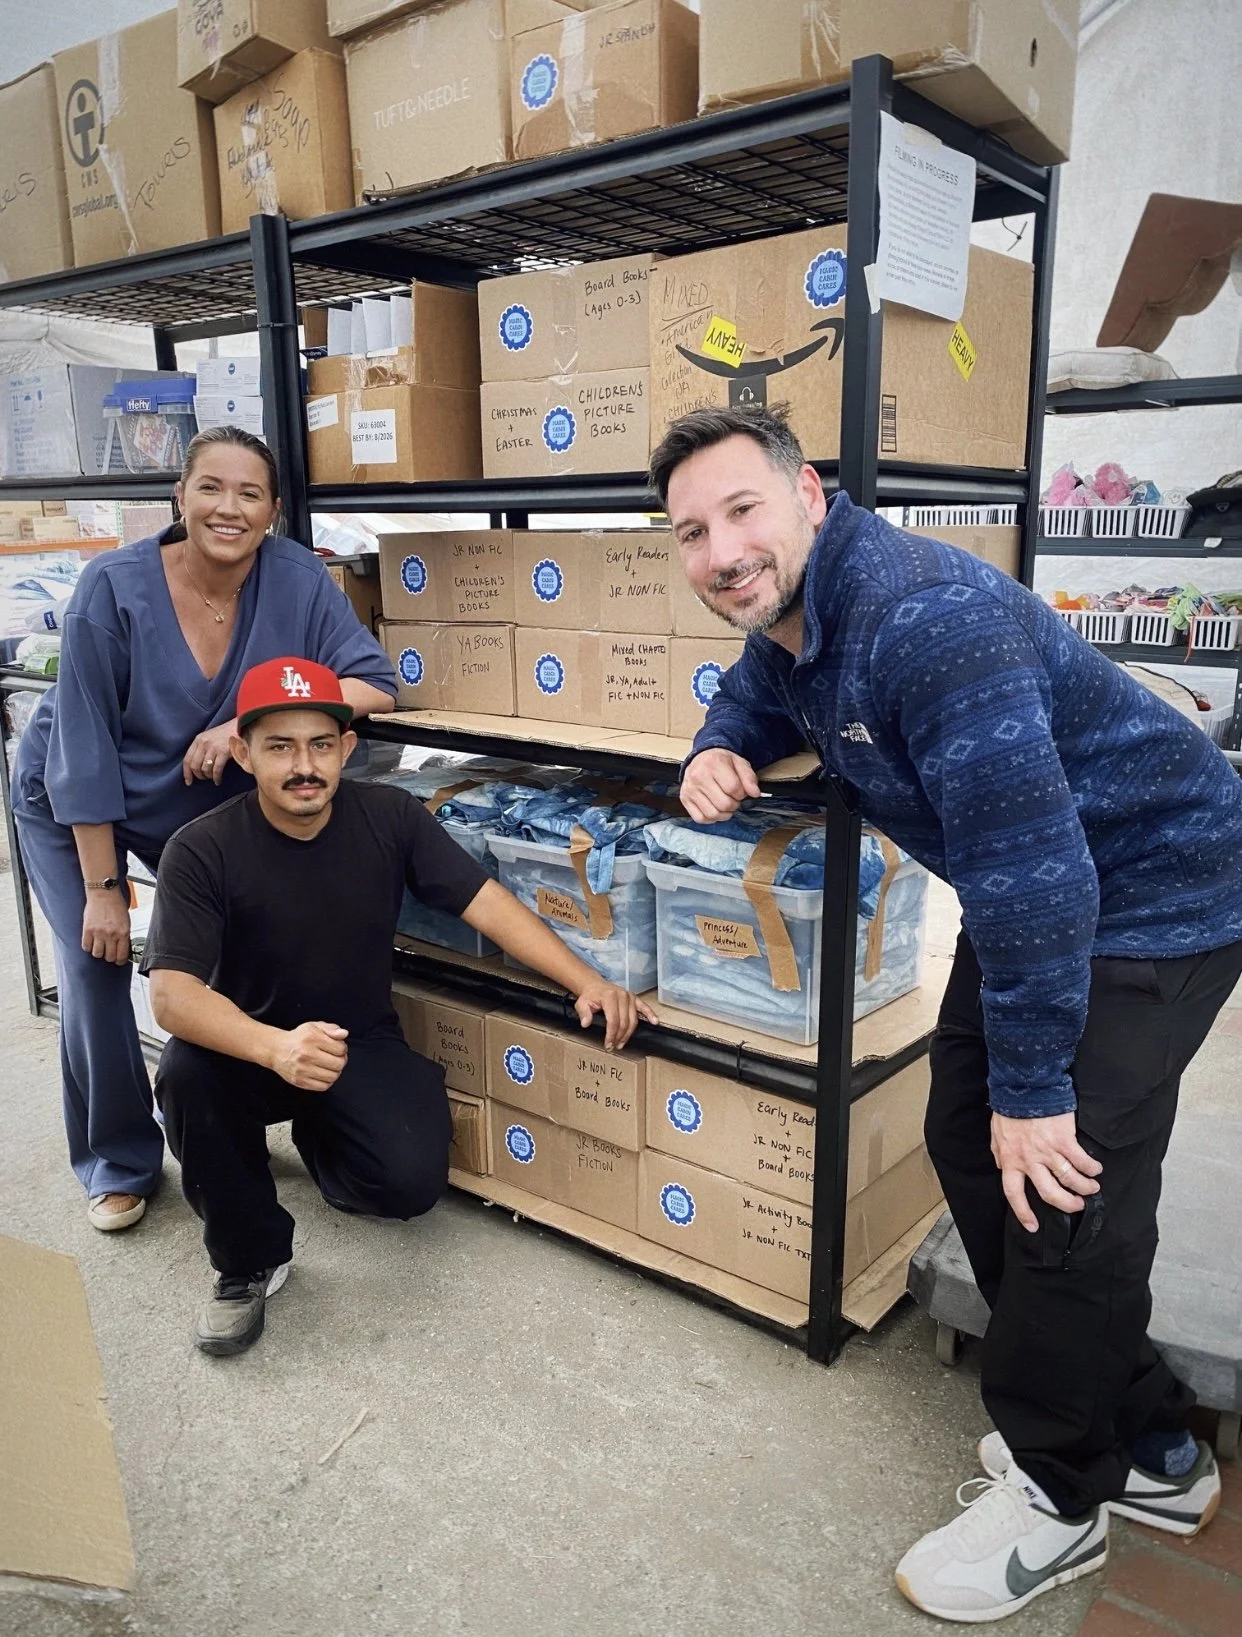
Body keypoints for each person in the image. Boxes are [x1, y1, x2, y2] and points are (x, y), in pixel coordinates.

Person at [650, 405, 1242, 1624]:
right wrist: (718, 743)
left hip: (1156, 894)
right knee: (968, 1139)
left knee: (1061, 1187)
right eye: (691, 531)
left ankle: (1061, 1490)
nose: (720, 551)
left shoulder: (925, 621)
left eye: (742, 510)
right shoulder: (807, 610)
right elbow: (761, 682)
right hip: (1042, 886)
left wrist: (1041, 1093)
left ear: (809, 493)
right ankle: (1155, 1452)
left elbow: (1044, 880)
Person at [142, 656, 656, 1357]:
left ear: (348, 747)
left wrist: (585, 980)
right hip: (248, 1045)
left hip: (355, 1039)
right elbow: (172, 995)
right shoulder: (200, 851)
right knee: (185, 1074)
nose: (304, 766)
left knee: (407, 1185)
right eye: (281, 746)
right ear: (243, 751)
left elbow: (487, 902)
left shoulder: (388, 816)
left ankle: (320, 1135)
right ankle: (246, 1260)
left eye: (321, 744)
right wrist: (274, 1048)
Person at [11, 427, 397, 1234]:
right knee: (95, 964)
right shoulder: (109, 591)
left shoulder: (296, 576)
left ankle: (231, 1111)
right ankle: (119, 1158)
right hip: (76, 803)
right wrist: (104, 888)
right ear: (179, 499)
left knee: (233, 957)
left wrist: (249, 719)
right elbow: (80, 755)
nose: (230, 507)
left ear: (274, 510)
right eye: (211, 488)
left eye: (250, 493)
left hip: (193, 808)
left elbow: (375, 686)